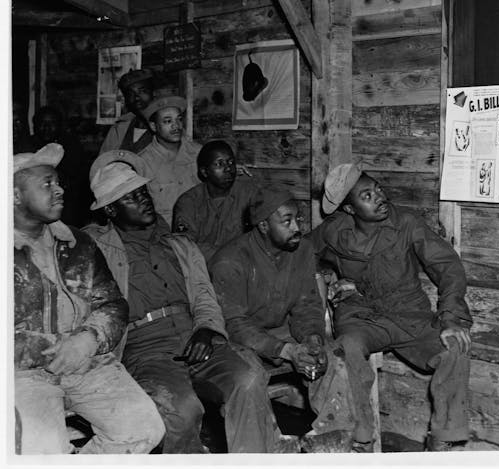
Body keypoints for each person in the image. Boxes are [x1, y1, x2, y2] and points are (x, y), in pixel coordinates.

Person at [83, 151, 288, 454]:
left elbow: (205, 296)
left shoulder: (178, 244)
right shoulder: (99, 249)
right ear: (111, 211)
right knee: (182, 407)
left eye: (143, 191)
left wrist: (207, 329)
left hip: (196, 337)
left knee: (249, 377)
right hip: (145, 349)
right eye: (131, 197)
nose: (144, 199)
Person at [13, 143, 164, 454]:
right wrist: (52, 348)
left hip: (88, 362)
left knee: (145, 427)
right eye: (47, 184)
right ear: (14, 196)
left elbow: (113, 303)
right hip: (22, 375)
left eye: (58, 182)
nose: (60, 191)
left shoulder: (77, 243)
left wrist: (88, 339)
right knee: (42, 449)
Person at [311, 164, 473, 452]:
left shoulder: (406, 223)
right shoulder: (333, 232)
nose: (379, 197)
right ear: (349, 209)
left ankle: (442, 442)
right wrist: (329, 274)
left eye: (378, 189)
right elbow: (299, 256)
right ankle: (359, 441)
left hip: (409, 313)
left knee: (455, 348)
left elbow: (448, 267)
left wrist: (450, 317)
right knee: (345, 348)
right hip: (361, 316)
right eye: (367, 195)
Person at [209, 188, 357, 453]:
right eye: (286, 221)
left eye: (298, 219)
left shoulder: (302, 250)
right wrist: (287, 351)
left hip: (280, 331)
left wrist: (312, 338)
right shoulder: (230, 260)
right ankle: (269, 448)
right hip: (238, 338)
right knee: (248, 374)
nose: (297, 227)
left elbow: (307, 302)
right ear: (263, 225)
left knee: (334, 353)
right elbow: (234, 323)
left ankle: (330, 441)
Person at [173, 140, 257, 262]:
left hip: (241, 268)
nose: (228, 168)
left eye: (231, 162)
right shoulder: (188, 202)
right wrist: (227, 255)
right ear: (204, 172)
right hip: (201, 270)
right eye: (219, 164)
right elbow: (184, 246)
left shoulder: (249, 194)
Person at [138, 95, 201, 226]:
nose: (176, 126)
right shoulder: (142, 162)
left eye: (179, 119)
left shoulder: (199, 153)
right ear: (154, 126)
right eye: (167, 121)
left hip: (202, 229)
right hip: (165, 237)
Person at [30, 105, 91, 227]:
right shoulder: (28, 146)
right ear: (35, 125)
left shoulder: (71, 145)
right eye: (42, 123)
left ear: (60, 125)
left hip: (67, 206)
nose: (47, 127)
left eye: (52, 123)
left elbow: (77, 180)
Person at [100, 69, 155, 154]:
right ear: (126, 100)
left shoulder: (166, 126)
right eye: (130, 94)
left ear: (153, 94)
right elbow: (103, 161)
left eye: (142, 91)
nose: (136, 97)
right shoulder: (119, 128)